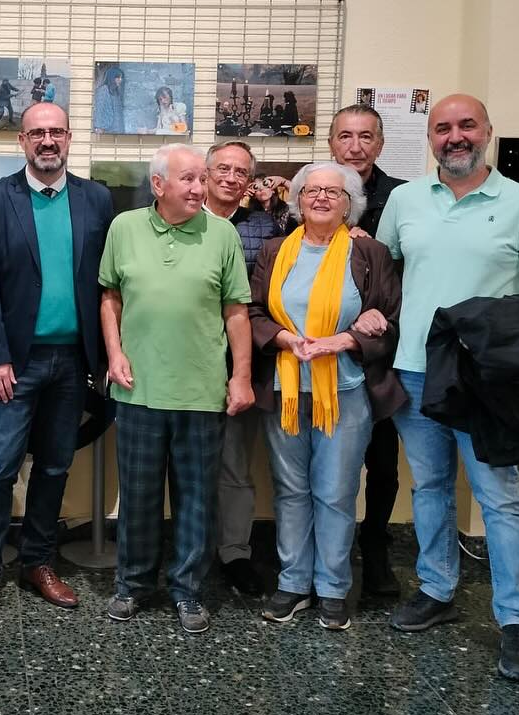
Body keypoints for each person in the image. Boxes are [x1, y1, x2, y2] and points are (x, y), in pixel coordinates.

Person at [376, 93, 519, 682]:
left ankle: (517, 620)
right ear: (430, 138)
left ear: (487, 131)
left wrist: (499, 330)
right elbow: (387, 271)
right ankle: (437, 589)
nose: (454, 137)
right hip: (415, 368)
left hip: (485, 376)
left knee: (498, 495)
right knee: (430, 485)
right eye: (442, 128)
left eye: (466, 126)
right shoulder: (405, 200)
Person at [0, 103, 114, 629]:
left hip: (74, 362)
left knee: (54, 466)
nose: (47, 141)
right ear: (22, 141)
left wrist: (107, 354)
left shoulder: (97, 199)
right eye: (37, 133)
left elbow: (108, 282)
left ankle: (38, 562)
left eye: (56, 132)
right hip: (15, 363)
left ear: (68, 138)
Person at [100, 144, 254, 634]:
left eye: (201, 179)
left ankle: (188, 591)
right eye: (188, 179)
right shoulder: (124, 228)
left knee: (196, 500)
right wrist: (115, 354)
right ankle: (132, 585)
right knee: (138, 497)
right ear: (158, 184)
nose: (199, 188)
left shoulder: (222, 233)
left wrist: (241, 376)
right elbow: (110, 298)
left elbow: (237, 311)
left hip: (201, 392)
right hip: (139, 390)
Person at [247, 161, 405, 630]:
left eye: (333, 192)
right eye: (311, 191)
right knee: (291, 490)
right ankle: (294, 583)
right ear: (297, 201)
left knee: (335, 492)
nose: (320, 198)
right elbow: (253, 311)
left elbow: (391, 319)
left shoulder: (370, 252)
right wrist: (284, 339)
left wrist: (347, 339)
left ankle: (333, 588)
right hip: (286, 389)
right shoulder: (275, 251)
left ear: (349, 204)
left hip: (346, 391)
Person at [328, 104, 407, 595]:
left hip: (379, 348)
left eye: (365, 137)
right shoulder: (313, 188)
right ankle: (319, 552)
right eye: (345, 136)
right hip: (320, 347)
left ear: (379, 143)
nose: (355, 147)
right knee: (323, 459)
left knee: (382, 460)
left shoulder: (403, 196)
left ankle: (375, 550)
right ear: (331, 143)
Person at [200, 142, 283, 599]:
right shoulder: (182, 219)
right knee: (185, 463)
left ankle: (234, 553)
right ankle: (187, 550)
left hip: (242, 363)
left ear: (250, 181)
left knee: (234, 464)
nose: (231, 178)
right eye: (223, 169)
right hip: (187, 361)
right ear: (206, 172)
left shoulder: (265, 228)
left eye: (241, 172)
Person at [93, 66, 125, 134]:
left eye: (121, 78)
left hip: (118, 129)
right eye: (118, 77)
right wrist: (99, 127)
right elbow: (99, 109)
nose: (120, 80)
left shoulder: (116, 92)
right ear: (111, 77)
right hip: (106, 129)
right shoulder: (103, 90)